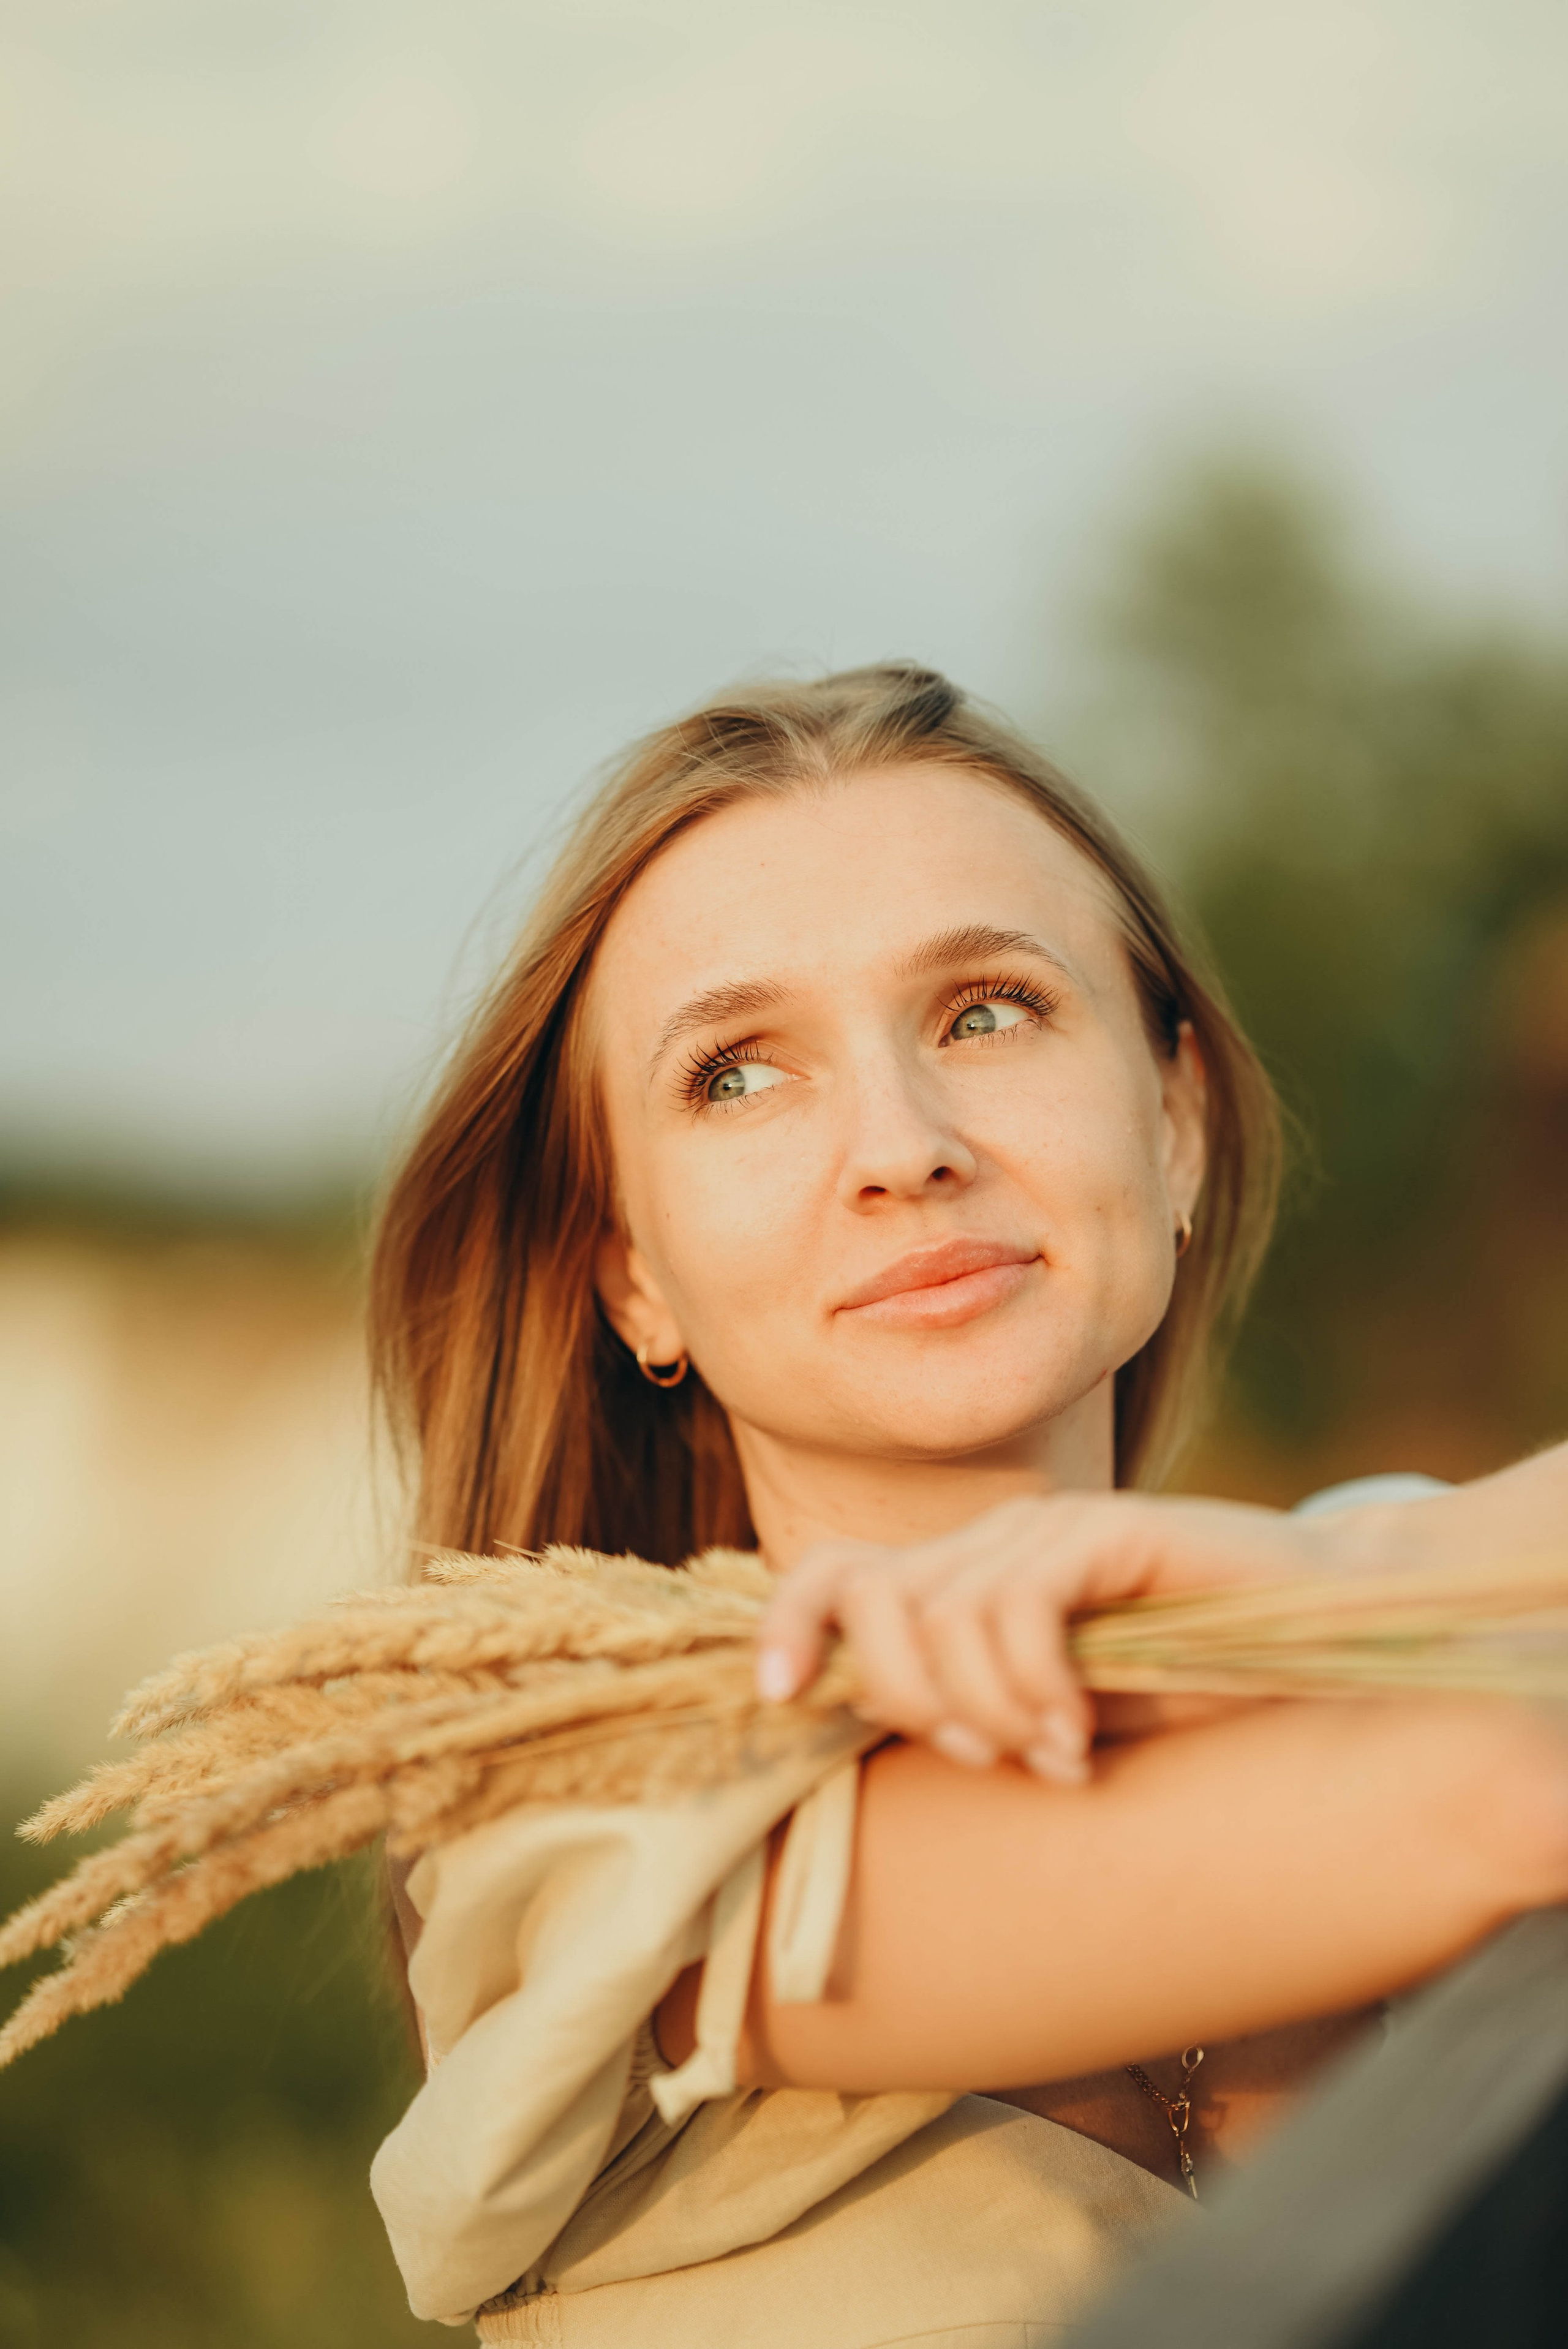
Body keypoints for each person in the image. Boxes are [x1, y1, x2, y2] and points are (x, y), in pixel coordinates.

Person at [365, 663, 1568, 2345]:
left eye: (986, 1010)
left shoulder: (1373, 1564)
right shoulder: (590, 1814)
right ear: (632, 1274)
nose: (903, 1143)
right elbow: (1516, 1789)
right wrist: (1354, 1611)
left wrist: (1347, 1559)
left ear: (1178, 1120)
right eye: (737, 1072)